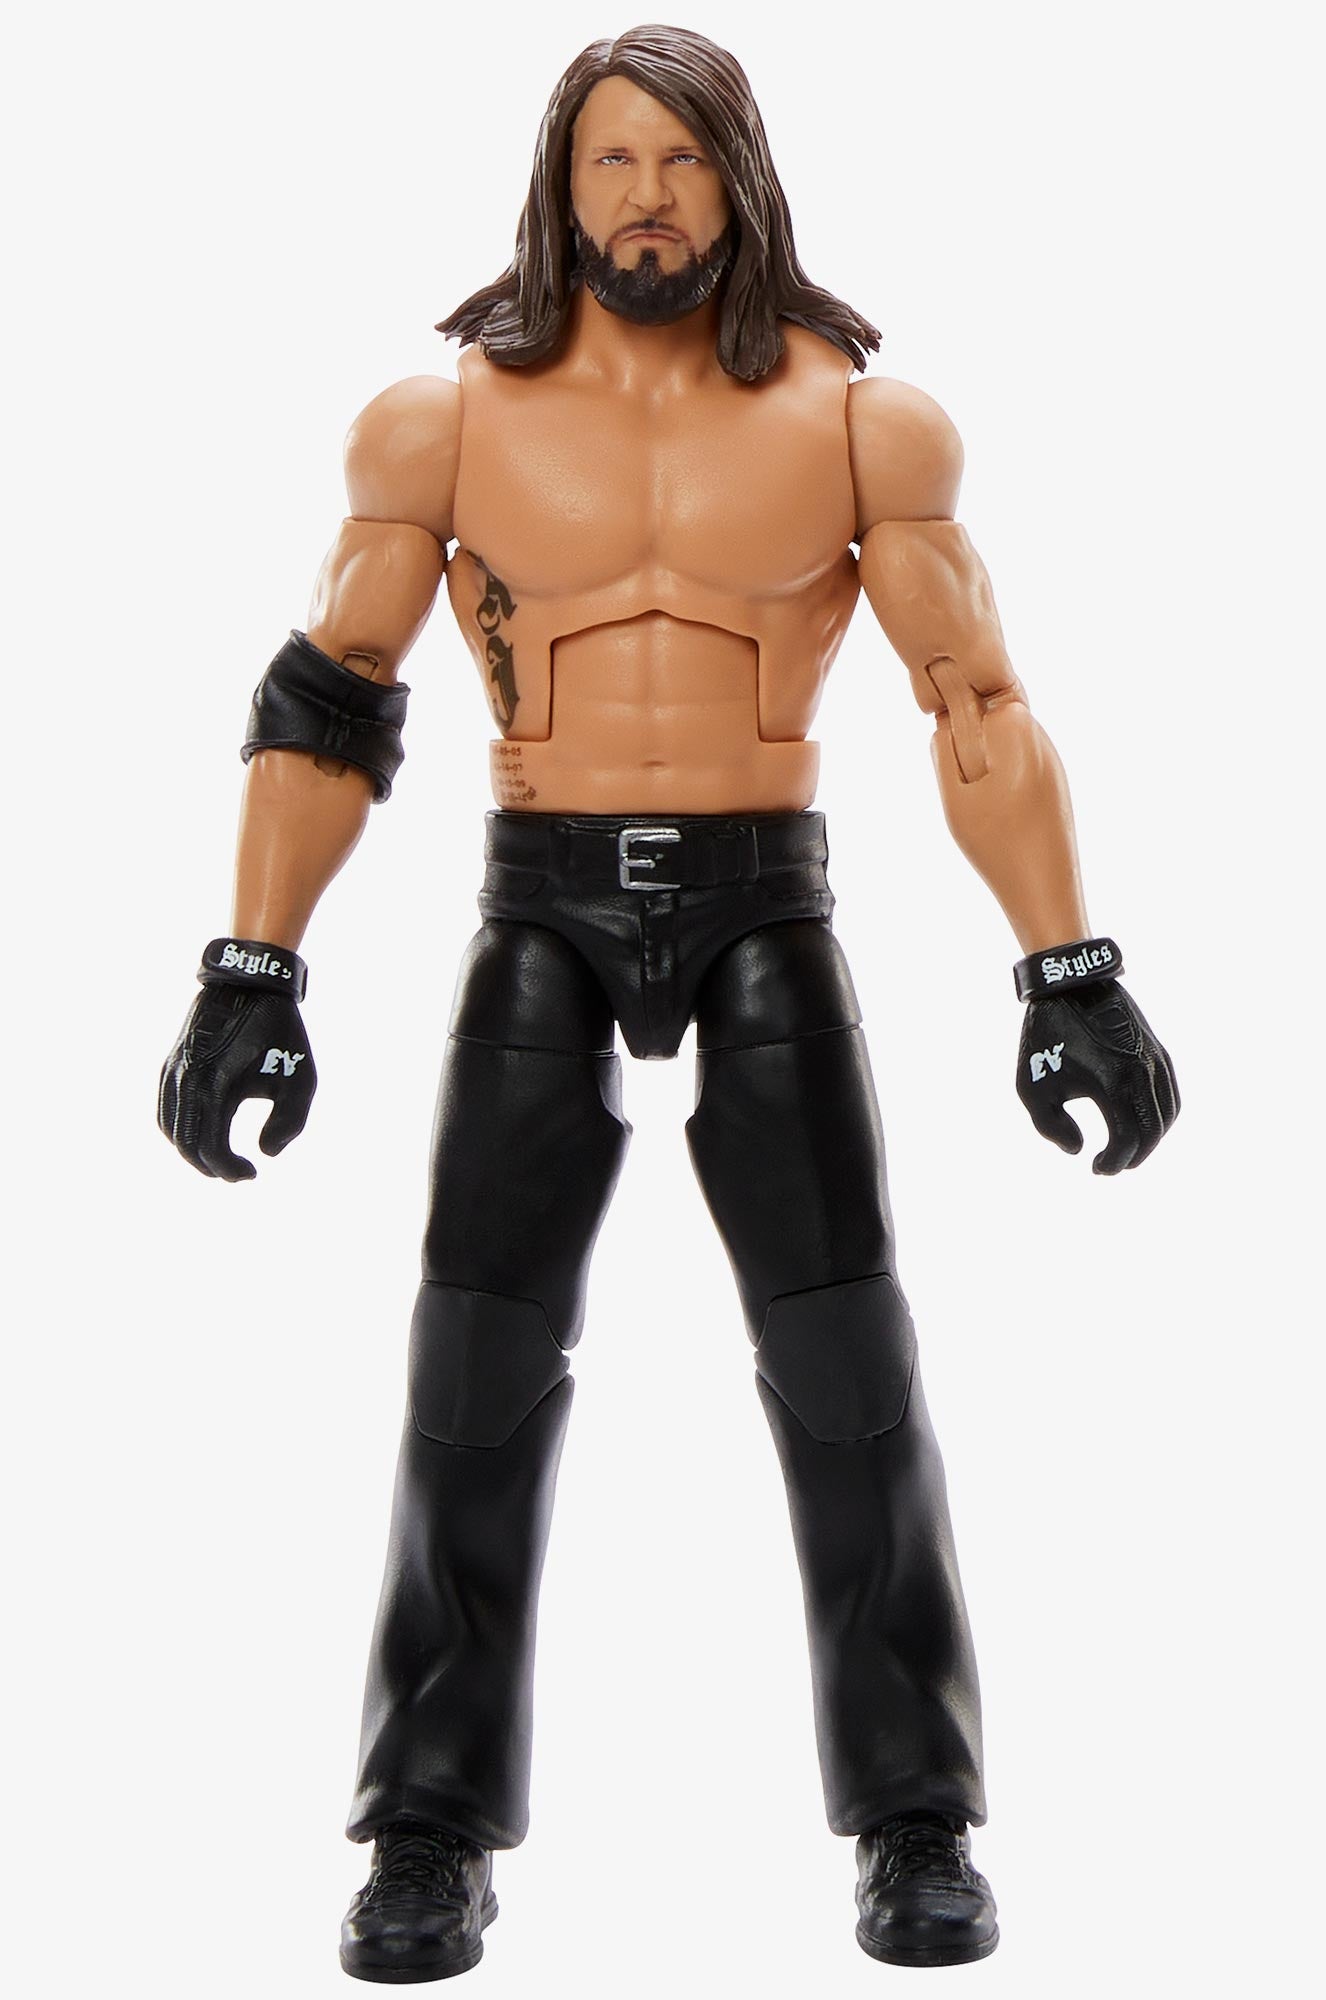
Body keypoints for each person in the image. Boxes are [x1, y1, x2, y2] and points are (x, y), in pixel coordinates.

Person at [159, 23, 1178, 1983]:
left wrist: (1068, 964)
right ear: (560, 185)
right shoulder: (443, 425)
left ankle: (917, 1815)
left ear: (740, 177)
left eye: (681, 160)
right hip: (539, 905)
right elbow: (331, 701)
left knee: (848, 1369)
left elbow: (974, 703)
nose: (646, 199)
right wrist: (250, 962)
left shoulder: (858, 424)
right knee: (472, 1377)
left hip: (762, 902)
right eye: (613, 161)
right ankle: (425, 1829)